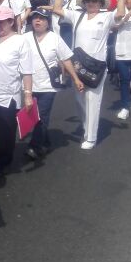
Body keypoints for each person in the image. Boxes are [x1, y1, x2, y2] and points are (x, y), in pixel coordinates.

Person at [52, 0, 118, 150]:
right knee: (79, 99)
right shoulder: (78, 16)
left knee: (92, 100)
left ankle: (91, 136)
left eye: (95, 1)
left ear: (101, 3)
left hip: (97, 65)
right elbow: (57, 9)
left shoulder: (106, 16)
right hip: (78, 65)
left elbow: (121, 14)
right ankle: (86, 127)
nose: (91, 3)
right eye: (88, 0)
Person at [0, 6, 33, 176]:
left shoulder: (20, 41)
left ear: (11, 22)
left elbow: (27, 71)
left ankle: (2, 162)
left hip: (8, 94)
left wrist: (28, 95)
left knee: (6, 131)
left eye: (2, 22)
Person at [24, 9, 82, 161]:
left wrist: (76, 79)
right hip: (28, 86)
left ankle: (34, 146)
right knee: (32, 116)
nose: (37, 21)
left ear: (48, 23)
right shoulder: (24, 38)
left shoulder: (55, 38)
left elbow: (66, 59)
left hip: (48, 86)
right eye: (35, 18)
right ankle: (45, 142)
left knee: (41, 116)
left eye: (42, 18)